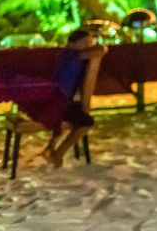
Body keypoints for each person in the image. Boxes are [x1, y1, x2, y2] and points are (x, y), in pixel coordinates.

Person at [37, 29, 108, 167]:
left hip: (62, 100)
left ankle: (50, 149)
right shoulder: (70, 56)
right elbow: (101, 51)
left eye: (90, 42)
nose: (89, 46)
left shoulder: (70, 54)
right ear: (72, 44)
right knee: (85, 123)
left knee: (74, 119)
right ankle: (58, 153)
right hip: (59, 101)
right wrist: (101, 47)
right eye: (85, 42)